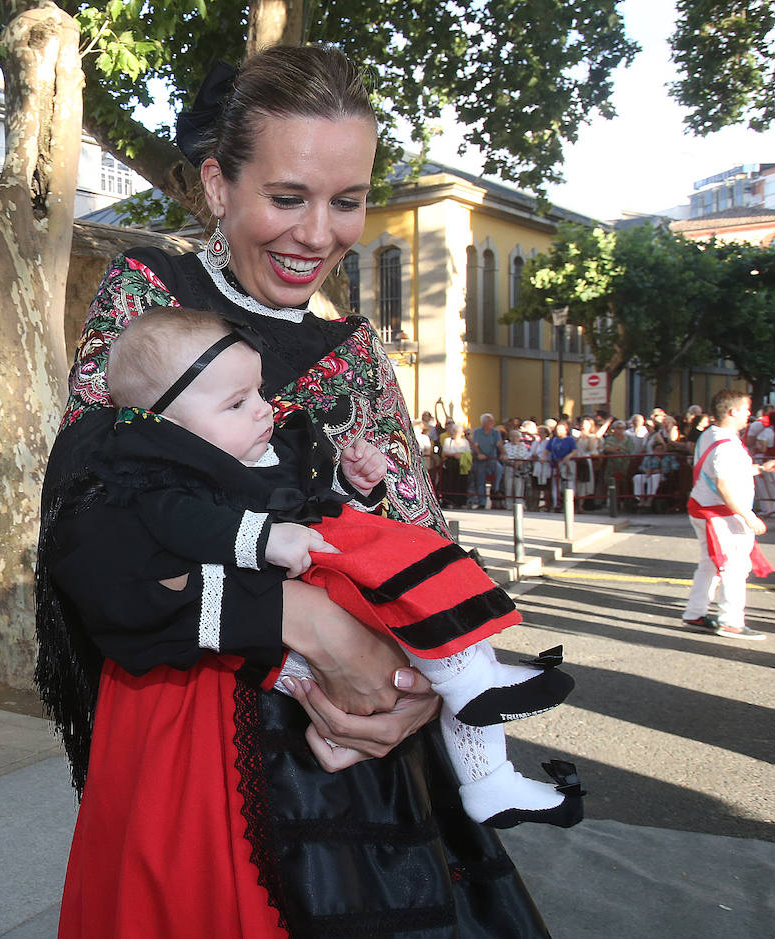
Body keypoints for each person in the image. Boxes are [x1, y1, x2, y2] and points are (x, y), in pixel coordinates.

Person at [36, 44, 550, 938]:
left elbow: (422, 542)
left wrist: (419, 690)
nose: (318, 234)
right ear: (216, 185)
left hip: (362, 769)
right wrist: (303, 620)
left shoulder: (356, 355)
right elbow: (93, 532)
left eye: (346, 201)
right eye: (286, 197)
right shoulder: (152, 305)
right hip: (193, 757)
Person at [71, 305, 581, 828]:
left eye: (260, 393)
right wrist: (266, 540)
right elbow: (178, 525)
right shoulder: (164, 473)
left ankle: (488, 772)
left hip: (332, 645)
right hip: (222, 690)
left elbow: (302, 505)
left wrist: (350, 487)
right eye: (238, 402)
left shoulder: (259, 447)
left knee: (451, 634)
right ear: (165, 426)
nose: (263, 410)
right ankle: (471, 694)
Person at [680, 389, 775, 640]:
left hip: (707, 509)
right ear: (732, 412)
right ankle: (731, 621)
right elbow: (723, 484)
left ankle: (695, 613)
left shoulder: (710, 435)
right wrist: (749, 517)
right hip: (720, 515)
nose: (749, 414)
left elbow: (721, 474)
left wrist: (756, 469)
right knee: (734, 566)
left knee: (710, 564)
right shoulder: (726, 444)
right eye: (746, 409)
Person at [469, 412, 504, 509]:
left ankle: (495, 489)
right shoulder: (477, 432)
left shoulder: (496, 432)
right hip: (481, 460)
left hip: (492, 458)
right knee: (480, 479)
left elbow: (499, 444)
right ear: (483, 422)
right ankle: (482, 502)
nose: (492, 423)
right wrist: (479, 453)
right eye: (489, 421)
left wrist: (503, 453)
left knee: (499, 469)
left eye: (492, 421)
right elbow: (475, 445)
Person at [545, 419, 577, 511]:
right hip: (555, 465)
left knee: (568, 484)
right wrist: (543, 456)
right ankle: (556, 503)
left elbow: (574, 450)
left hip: (566, 465)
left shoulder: (569, 440)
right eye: (557, 429)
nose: (559, 431)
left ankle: (569, 504)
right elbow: (547, 449)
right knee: (556, 485)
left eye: (561, 429)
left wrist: (568, 457)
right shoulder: (553, 440)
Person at [439, 421, 471, 508]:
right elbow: (445, 452)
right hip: (451, 464)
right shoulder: (448, 441)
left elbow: (468, 452)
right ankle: (449, 501)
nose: (456, 433)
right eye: (454, 431)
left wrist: (461, 455)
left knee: (462, 482)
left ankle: (461, 502)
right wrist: (454, 455)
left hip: (462, 465)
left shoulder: (465, 442)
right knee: (450, 482)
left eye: (458, 432)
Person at [503, 427, 534, 508]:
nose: (514, 438)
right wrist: (512, 463)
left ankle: (519, 503)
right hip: (509, 467)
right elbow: (505, 456)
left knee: (519, 486)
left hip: (520, 468)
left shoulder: (523, 446)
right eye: (512, 436)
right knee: (508, 486)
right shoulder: (506, 446)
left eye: (516, 436)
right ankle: (508, 504)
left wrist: (519, 462)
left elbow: (525, 456)